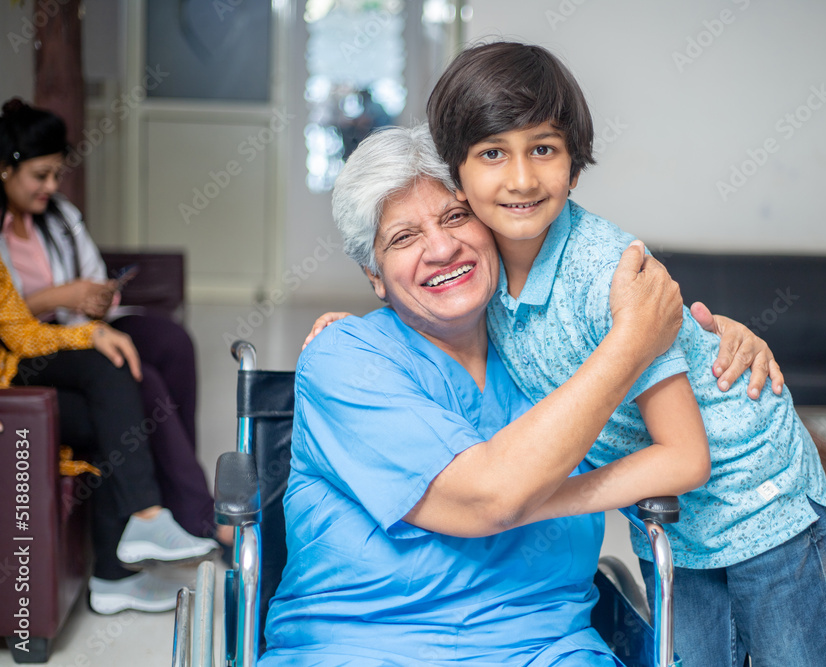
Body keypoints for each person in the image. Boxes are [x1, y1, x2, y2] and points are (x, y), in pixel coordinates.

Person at [265, 124, 784, 665]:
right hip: (363, 647)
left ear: (490, 222)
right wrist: (632, 343)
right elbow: (488, 497)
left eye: (455, 216)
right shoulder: (344, 359)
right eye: (403, 238)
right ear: (374, 275)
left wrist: (708, 339)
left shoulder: (551, 342)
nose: (441, 248)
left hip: (548, 649)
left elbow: (677, 406)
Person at [425, 41, 826, 667]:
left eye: (543, 148)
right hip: (668, 522)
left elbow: (685, 457)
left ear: (573, 166)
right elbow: (415, 295)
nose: (520, 178)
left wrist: (536, 502)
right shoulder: (479, 272)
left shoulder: (609, 271)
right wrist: (344, 325)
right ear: (456, 174)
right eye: (493, 153)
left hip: (761, 497)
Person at [0, 98, 220, 544]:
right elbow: (14, 323)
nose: (51, 187)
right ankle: (196, 514)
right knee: (141, 375)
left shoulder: (58, 215)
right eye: (40, 176)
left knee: (173, 343)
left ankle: (178, 491)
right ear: (6, 169)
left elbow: (91, 274)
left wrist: (97, 296)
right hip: (45, 345)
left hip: (83, 325)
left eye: (57, 175)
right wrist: (63, 296)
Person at [1, 258, 218, 614]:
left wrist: (92, 333)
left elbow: (17, 330)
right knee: (112, 410)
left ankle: (114, 577)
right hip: (11, 385)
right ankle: (144, 524)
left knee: (110, 391)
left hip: (16, 365)